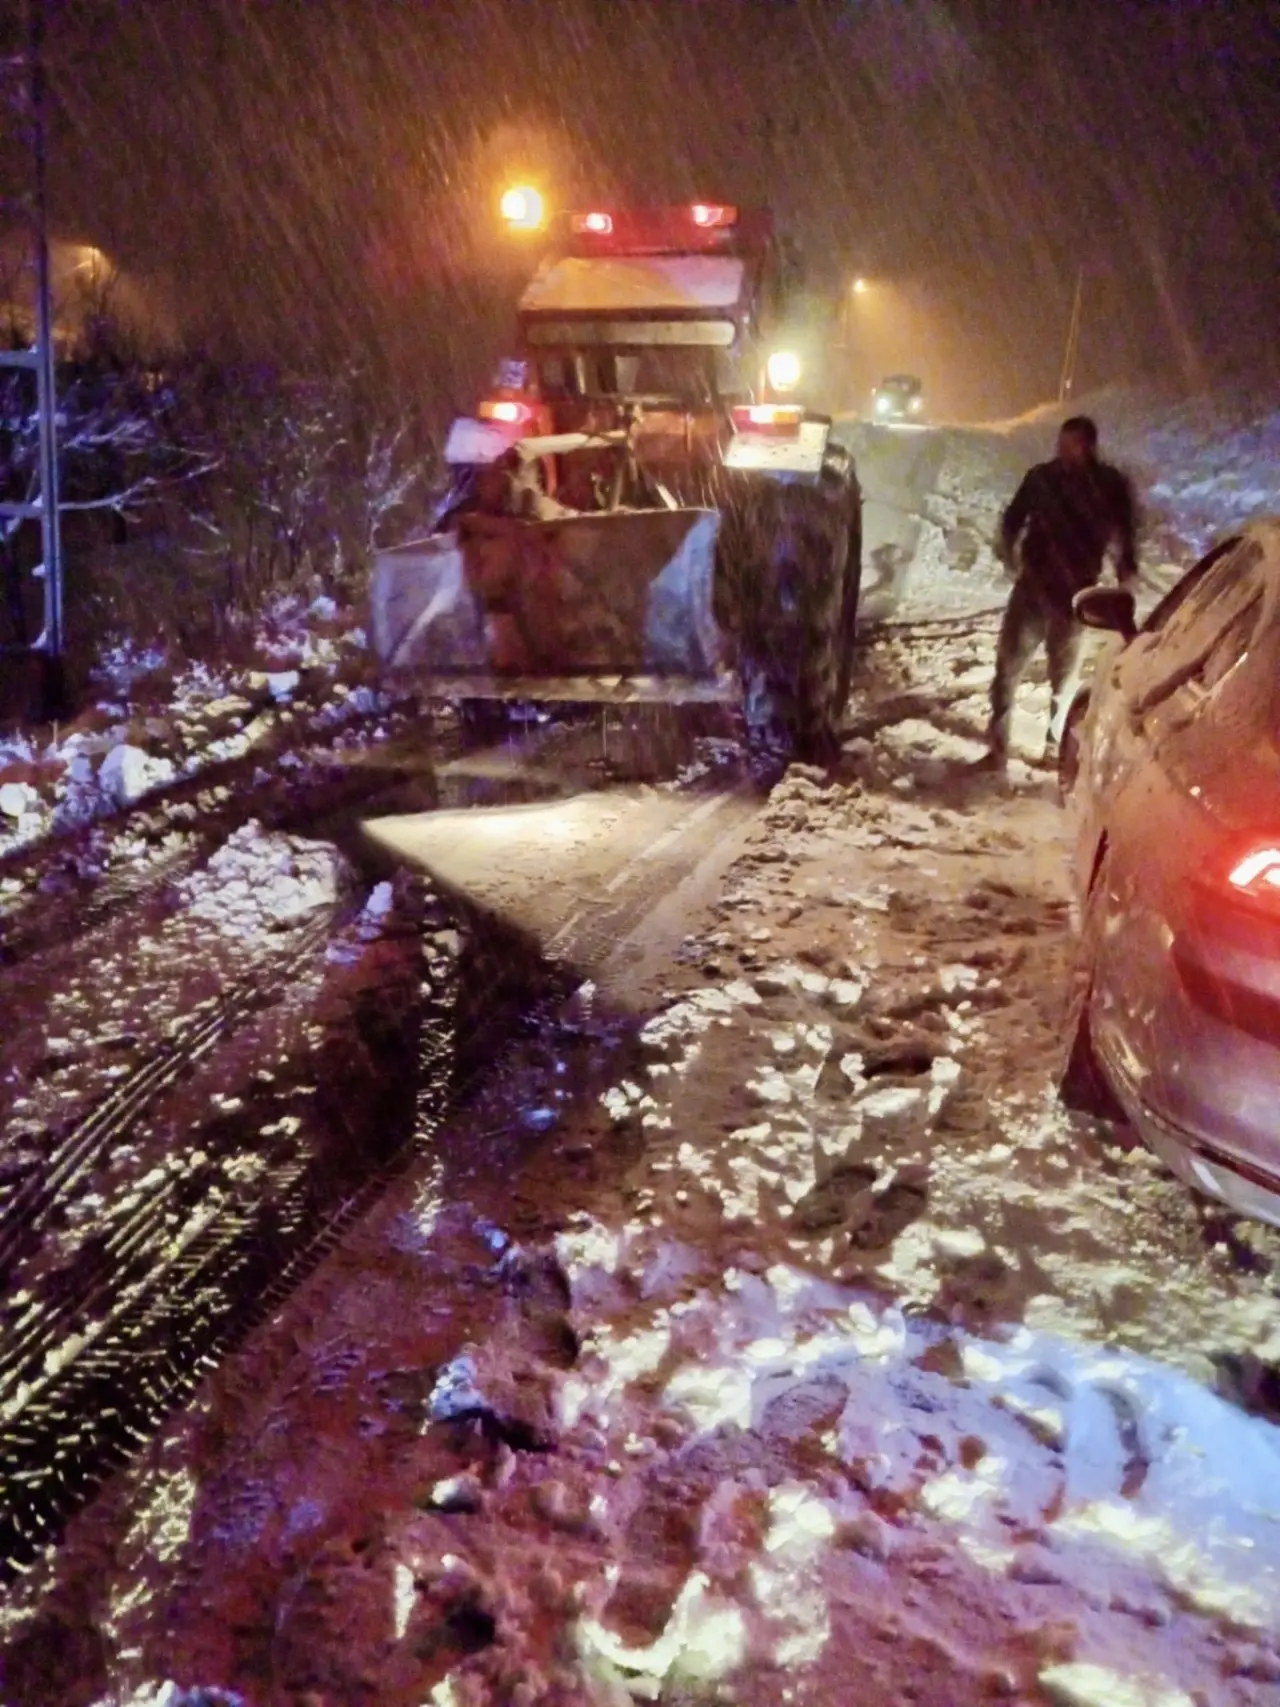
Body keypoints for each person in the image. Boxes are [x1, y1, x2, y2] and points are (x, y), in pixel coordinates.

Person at [982, 415, 1138, 768]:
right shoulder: (1041, 478)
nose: (1064, 451)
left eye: (1072, 445)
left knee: (1063, 679)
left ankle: (1055, 750)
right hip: (1032, 587)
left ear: (1089, 447)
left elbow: (1125, 531)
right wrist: (1008, 550)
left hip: (1075, 596)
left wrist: (1126, 570)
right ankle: (997, 747)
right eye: (1061, 443)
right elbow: (1014, 517)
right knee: (1007, 666)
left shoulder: (1109, 485)